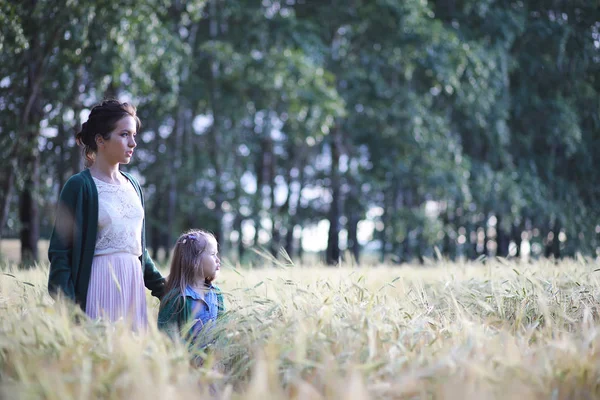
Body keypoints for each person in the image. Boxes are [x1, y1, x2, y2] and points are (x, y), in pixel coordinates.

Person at [48, 99, 165, 330]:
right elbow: (60, 253)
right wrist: (72, 312)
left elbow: (137, 249)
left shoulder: (134, 185)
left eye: (134, 135)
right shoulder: (78, 186)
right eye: (124, 134)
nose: (133, 142)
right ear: (100, 140)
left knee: (132, 363)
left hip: (132, 289)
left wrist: (165, 288)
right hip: (97, 289)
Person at [158, 230, 225, 347]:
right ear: (194, 260)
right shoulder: (177, 298)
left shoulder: (217, 294)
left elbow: (223, 327)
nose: (218, 260)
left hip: (213, 362)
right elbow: (167, 334)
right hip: (185, 362)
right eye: (213, 254)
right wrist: (194, 356)